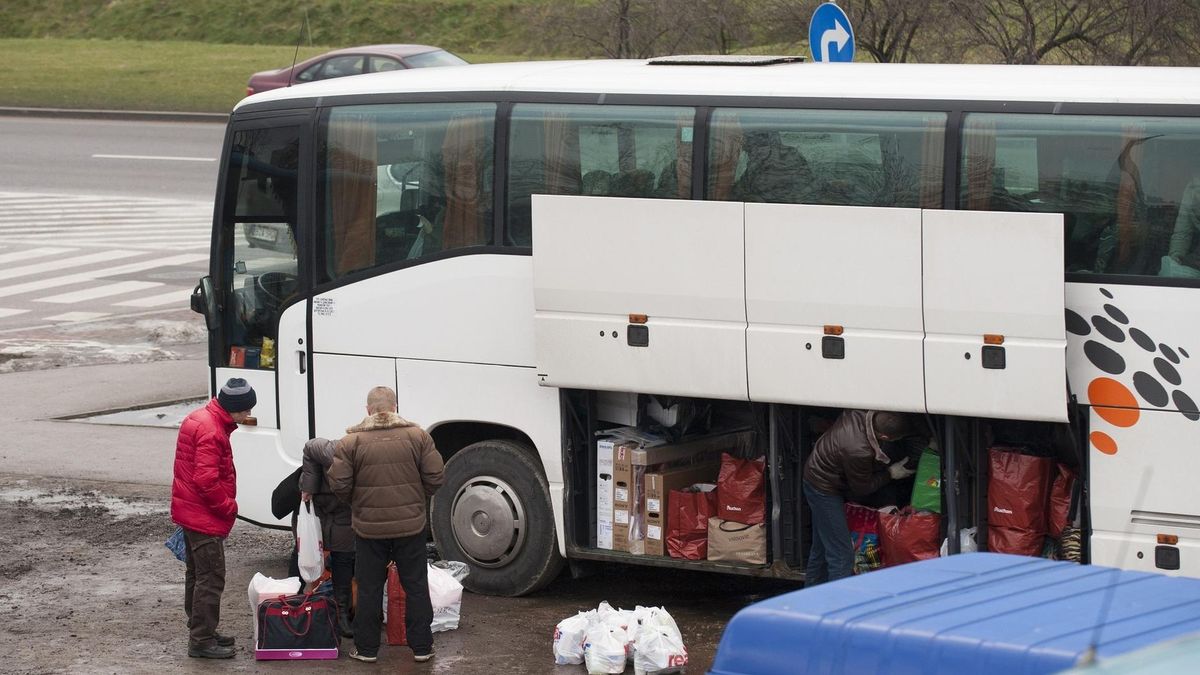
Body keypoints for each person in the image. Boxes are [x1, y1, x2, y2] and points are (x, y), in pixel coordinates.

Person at [328, 386, 445, 664]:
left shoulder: (350, 442)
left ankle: (367, 649)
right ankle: (422, 647)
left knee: (369, 588)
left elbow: (339, 483)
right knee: (416, 586)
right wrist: (417, 499)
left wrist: (357, 502)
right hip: (410, 527)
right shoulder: (418, 436)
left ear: (368, 410)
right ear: (395, 408)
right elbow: (435, 476)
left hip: (369, 529)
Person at [170, 378, 256, 659]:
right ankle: (201, 640)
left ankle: (201, 630)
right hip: (203, 516)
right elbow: (206, 480)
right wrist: (228, 506)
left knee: (197, 575)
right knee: (211, 578)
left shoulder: (200, 418)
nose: (249, 414)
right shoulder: (213, 431)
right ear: (234, 407)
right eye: (246, 409)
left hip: (190, 510)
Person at [802, 410, 917, 587]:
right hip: (824, 489)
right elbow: (862, 488)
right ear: (885, 437)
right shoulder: (858, 450)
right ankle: (838, 602)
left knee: (822, 548)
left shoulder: (858, 413)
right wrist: (891, 473)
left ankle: (810, 595)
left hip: (817, 474)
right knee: (842, 555)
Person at [300, 437, 356, 637]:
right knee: (306, 556)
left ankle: (341, 614)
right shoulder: (330, 450)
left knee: (343, 559)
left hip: (342, 513)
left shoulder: (365, 455)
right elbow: (310, 447)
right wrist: (309, 487)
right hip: (319, 509)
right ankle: (299, 605)